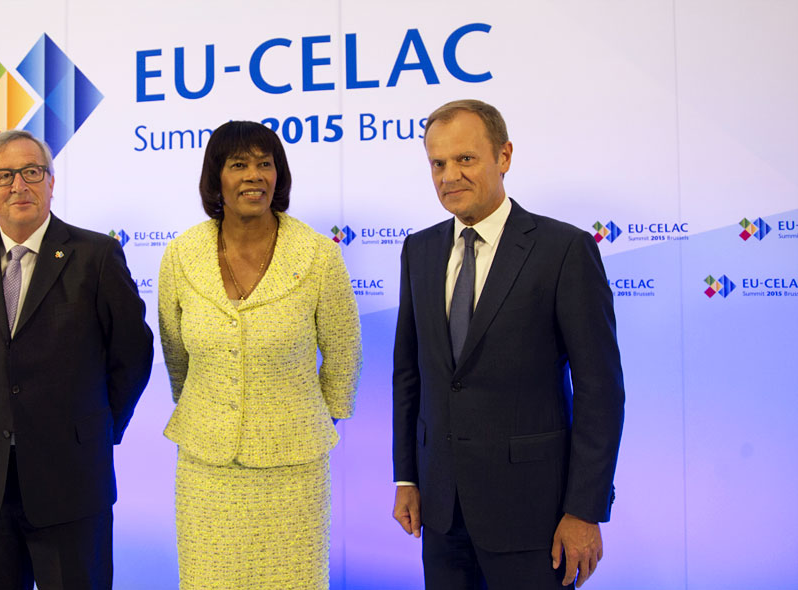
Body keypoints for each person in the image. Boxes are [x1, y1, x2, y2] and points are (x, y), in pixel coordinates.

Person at [391, 100, 625, 589]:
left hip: (534, 515)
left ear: (504, 156)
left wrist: (584, 510)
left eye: (465, 159)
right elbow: (409, 374)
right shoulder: (419, 250)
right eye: (438, 163)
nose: (449, 176)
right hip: (441, 511)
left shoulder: (564, 249)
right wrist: (407, 478)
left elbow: (600, 390)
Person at [0, 129, 154, 589]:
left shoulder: (96, 256)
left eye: (32, 172)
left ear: (51, 183)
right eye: (2, 176)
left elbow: (133, 355)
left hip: (70, 482)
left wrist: (96, 429)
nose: (19, 185)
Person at [158, 120, 362, 590]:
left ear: (278, 175)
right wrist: (207, 411)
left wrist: (314, 418)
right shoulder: (181, 255)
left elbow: (344, 352)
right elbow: (175, 353)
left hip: (295, 470)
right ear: (216, 178)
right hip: (206, 468)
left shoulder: (318, 255)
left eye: (264, 164)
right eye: (238, 165)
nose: (253, 175)